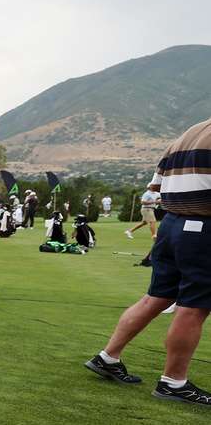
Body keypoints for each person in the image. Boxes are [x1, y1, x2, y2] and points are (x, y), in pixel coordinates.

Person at [85, 118, 211, 406]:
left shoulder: (188, 133)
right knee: (194, 306)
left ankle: (108, 357)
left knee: (157, 296)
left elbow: (155, 186)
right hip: (202, 228)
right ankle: (173, 382)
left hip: (171, 225)